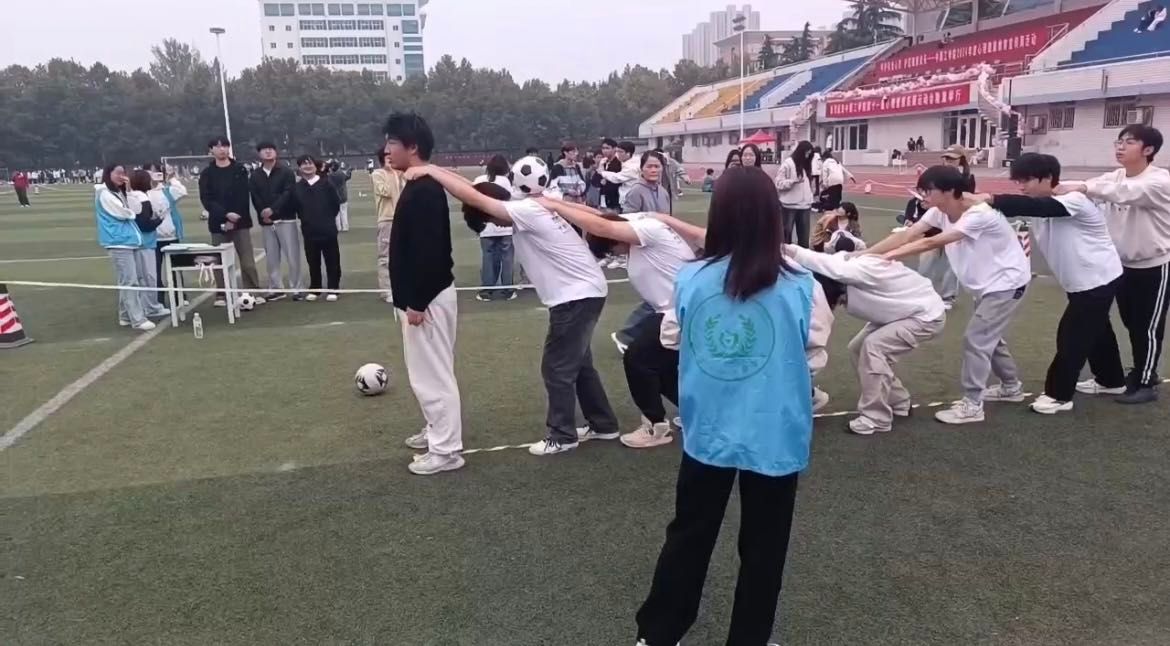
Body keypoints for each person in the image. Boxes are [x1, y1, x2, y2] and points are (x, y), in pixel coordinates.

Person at [633, 166, 823, 646]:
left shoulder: (690, 278)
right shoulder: (803, 283)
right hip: (775, 430)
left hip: (709, 428)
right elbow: (814, 350)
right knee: (764, 546)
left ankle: (658, 633)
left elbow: (671, 338)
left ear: (717, 216)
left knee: (690, 532)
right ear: (773, 217)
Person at [407, 161, 620, 457]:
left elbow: (475, 197)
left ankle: (562, 435)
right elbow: (475, 191)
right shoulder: (527, 204)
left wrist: (431, 171)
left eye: (491, 218)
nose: (496, 223)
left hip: (576, 296)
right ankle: (603, 424)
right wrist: (435, 169)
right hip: (584, 291)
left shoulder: (525, 210)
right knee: (579, 363)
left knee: (556, 367)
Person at [865, 165, 1031, 425]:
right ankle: (1011, 387)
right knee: (990, 338)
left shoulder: (979, 215)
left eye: (929, 190)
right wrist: (865, 255)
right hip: (986, 285)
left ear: (950, 191)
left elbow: (931, 242)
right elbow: (908, 234)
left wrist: (887, 257)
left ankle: (973, 405)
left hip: (1006, 284)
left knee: (977, 339)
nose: (924, 196)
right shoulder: (938, 211)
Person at [535, 197, 696, 449]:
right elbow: (599, 217)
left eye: (612, 251)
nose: (615, 255)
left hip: (678, 313)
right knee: (662, 368)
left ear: (616, 240)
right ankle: (697, 413)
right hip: (675, 311)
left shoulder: (645, 230)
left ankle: (655, 426)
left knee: (637, 360)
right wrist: (551, 203)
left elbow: (602, 226)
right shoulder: (636, 223)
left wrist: (555, 207)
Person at [973, 153, 1124, 414]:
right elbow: (1032, 208)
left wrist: (991, 199)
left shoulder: (1073, 200)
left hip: (1097, 280)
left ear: (1048, 178)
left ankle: (1058, 395)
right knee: (1098, 330)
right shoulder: (1042, 202)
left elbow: (1042, 208)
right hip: (1082, 282)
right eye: (1018, 181)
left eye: (1027, 180)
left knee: (1072, 336)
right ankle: (1111, 381)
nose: (1021, 186)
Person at [1056, 125, 1170, 404]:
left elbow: (1124, 192)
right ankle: (1130, 373)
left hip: (1154, 265)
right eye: (1118, 142)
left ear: (1148, 150)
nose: (1120, 147)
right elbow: (1097, 186)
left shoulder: (1159, 181)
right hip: (1120, 266)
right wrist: (1053, 186)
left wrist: (1084, 187)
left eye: (1129, 142)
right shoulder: (1115, 176)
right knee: (1128, 322)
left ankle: (1146, 382)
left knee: (1146, 327)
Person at [789, 237, 945, 434]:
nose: (840, 304)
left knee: (874, 347)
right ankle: (899, 401)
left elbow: (824, 263)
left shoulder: (858, 269)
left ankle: (877, 417)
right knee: (857, 348)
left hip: (925, 316)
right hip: (903, 312)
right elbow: (827, 264)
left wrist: (789, 250)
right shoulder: (843, 265)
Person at [385, 113, 465, 475]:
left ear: (413, 147)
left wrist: (417, 302)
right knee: (427, 374)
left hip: (428, 299)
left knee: (433, 376)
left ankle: (446, 451)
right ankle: (437, 431)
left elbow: (432, 254)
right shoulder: (417, 185)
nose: (387, 150)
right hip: (420, 298)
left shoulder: (425, 190)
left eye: (393, 142)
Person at [198, 135, 264, 307]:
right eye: (218, 146)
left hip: (241, 221)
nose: (222, 149)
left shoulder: (239, 169)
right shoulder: (207, 174)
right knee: (219, 262)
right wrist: (225, 215)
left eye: (225, 146)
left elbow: (243, 195)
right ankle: (222, 294)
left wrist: (234, 218)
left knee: (247, 261)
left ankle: (253, 291)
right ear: (211, 150)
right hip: (218, 224)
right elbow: (207, 199)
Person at [95, 164, 155, 332]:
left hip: (128, 240)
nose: (121, 176)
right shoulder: (104, 193)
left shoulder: (118, 192)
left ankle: (125, 316)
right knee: (130, 281)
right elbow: (123, 213)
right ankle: (137, 318)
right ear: (109, 174)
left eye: (123, 173)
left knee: (127, 280)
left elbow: (134, 209)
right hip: (118, 241)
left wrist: (128, 191)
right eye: (118, 173)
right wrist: (131, 211)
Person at [282, 155, 342, 301]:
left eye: (310, 164)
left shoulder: (326, 184)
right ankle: (315, 289)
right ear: (299, 168)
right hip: (309, 230)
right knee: (313, 261)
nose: (307, 166)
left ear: (316, 167)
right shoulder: (297, 188)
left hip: (327, 229)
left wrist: (327, 219)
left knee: (332, 260)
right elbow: (295, 207)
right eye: (304, 164)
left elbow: (335, 204)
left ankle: (333, 288)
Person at [250, 142, 302, 302]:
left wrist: (273, 209)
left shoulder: (286, 172)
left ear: (276, 152)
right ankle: (276, 287)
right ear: (259, 154)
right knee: (271, 257)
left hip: (286, 218)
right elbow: (255, 196)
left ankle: (296, 288)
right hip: (266, 222)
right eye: (264, 150)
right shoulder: (256, 174)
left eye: (271, 149)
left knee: (292, 256)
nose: (268, 152)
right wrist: (263, 212)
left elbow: (288, 193)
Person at [126, 170, 171, 321]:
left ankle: (146, 306)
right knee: (149, 276)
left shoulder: (131, 196)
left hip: (138, 241)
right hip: (145, 242)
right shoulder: (143, 199)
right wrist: (160, 219)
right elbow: (145, 225)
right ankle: (151, 307)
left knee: (142, 276)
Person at [472, 155, 516, 301]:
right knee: (507, 258)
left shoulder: (479, 180)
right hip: (504, 225)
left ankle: (487, 290)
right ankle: (507, 290)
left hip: (486, 226)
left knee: (488, 257)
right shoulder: (506, 182)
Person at [144, 162, 188, 305]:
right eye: (150, 171)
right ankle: (158, 301)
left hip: (171, 236)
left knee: (176, 269)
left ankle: (180, 297)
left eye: (156, 171)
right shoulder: (142, 192)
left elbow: (182, 191)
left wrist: (172, 178)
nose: (153, 174)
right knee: (154, 271)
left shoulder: (167, 190)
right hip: (152, 238)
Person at [371, 150, 405, 304]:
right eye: (387, 157)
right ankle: (387, 290)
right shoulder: (378, 174)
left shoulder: (402, 174)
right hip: (387, 219)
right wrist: (392, 173)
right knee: (386, 257)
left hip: (403, 219)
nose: (391, 159)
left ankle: (402, 287)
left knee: (404, 255)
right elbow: (386, 192)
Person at [776, 140, 816, 247]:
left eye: (809, 154)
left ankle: (803, 256)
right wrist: (792, 182)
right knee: (786, 236)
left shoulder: (807, 165)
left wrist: (810, 197)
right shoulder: (788, 163)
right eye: (806, 153)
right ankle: (785, 255)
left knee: (804, 238)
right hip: (789, 205)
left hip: (805, 206)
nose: (807, 156)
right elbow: (778, 183)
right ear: (800, 151)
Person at [599, 141, 641, 207]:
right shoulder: (626, 161)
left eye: (620, 152)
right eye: (617, 151)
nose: (618, 154)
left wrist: (602, 172)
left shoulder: (632, 167)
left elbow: (617, 178)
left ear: (628, 153)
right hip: (624, 197)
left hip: (630, 198)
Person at [599, 138, 623, 210]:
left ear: (614, 149)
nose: (604, 151)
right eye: (603, 148)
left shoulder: (619, 163)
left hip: (616, 198)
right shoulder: (603, 162)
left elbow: (618, 180)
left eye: (607, 148)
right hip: (604, 197)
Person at [329, 160, 351, 232]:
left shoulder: (330, 176)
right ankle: (345, 227)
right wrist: (349, 171)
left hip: (334, 196)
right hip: (343, 195)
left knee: (336, 214)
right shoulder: (341, 174)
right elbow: (348, 177)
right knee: (344, 212)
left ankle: (338, 227)